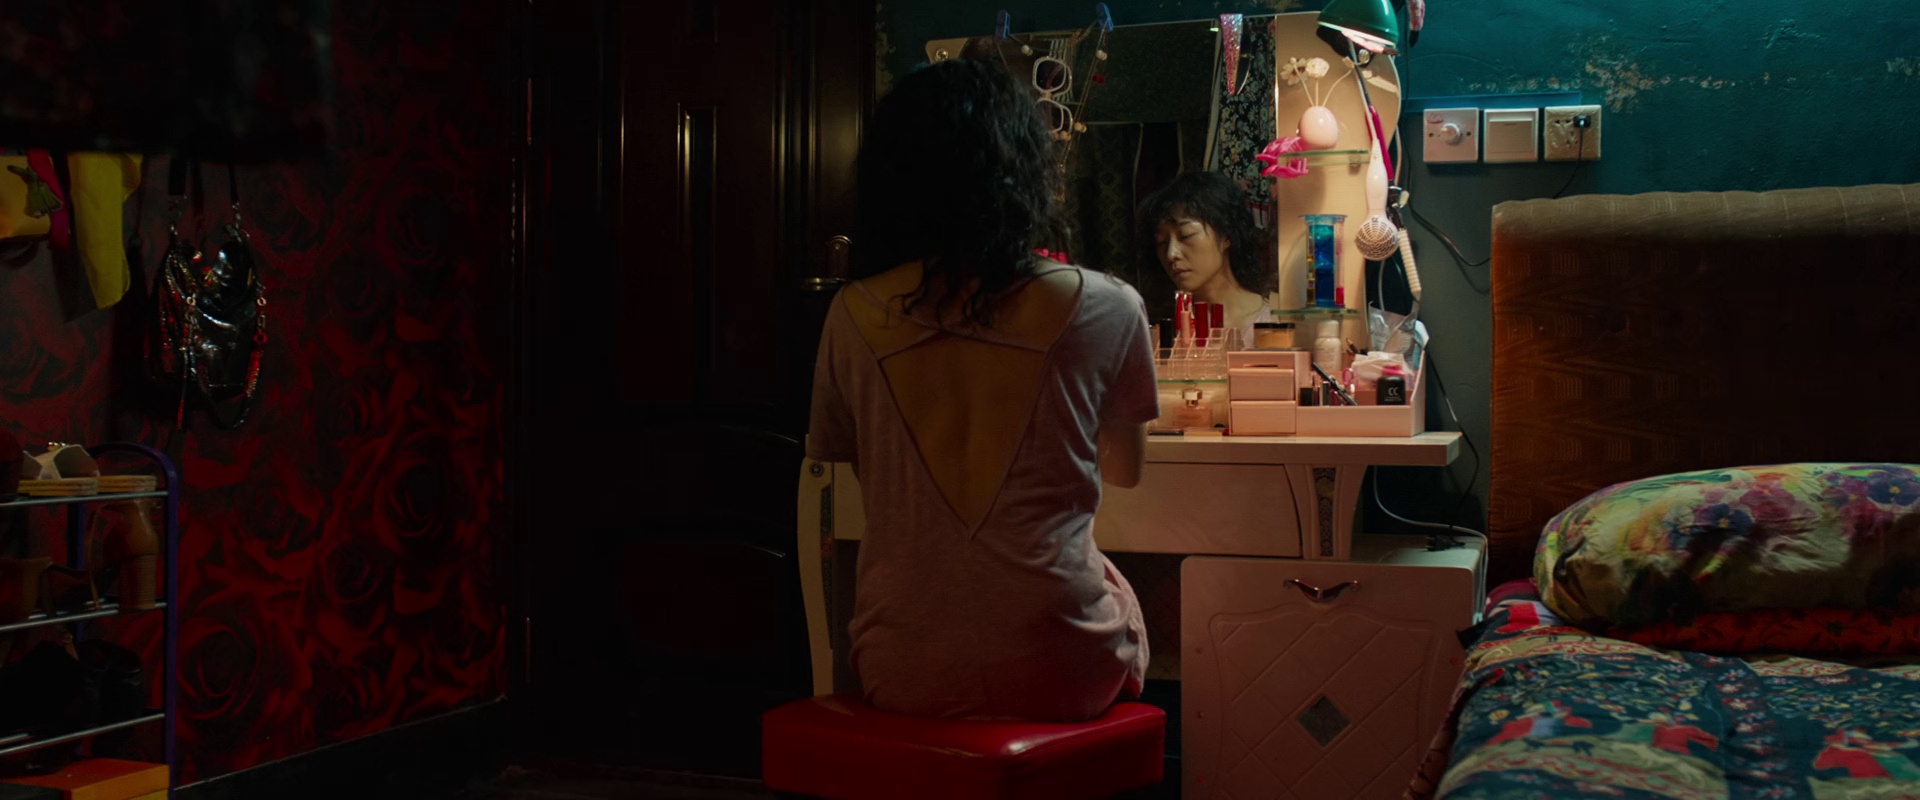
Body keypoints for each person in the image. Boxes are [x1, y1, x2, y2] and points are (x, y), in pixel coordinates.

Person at [806, 57, 1154, 722]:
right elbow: (1125, 472)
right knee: (1116, 593)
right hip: (1065, 667)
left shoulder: (851, 315)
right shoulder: (1109, 306)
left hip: (900, 667)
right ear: (1024, 170)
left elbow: (865, 471)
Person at [1138, 171, 1274, 345]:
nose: (1171, 254)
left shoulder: (1275, 320)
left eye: (1186, 235)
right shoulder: (1161, 332)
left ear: (1226, 235)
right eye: (1162, 242)